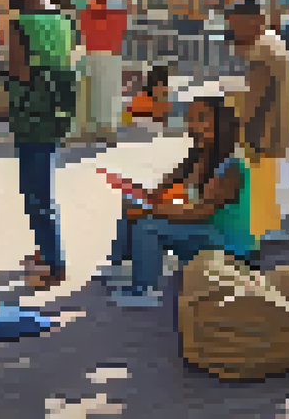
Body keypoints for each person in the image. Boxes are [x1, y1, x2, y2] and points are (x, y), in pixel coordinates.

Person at [104, 93, 251, 307]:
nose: (192, 125)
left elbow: (198, 213)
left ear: (221, 123)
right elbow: (164, 186)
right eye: (190, 118)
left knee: (148, 226)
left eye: (201, 118)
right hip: (205, 231)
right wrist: (142, 197)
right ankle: (123, 268)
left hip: (227, 247)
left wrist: (151, 209)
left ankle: (144, 290)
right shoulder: (199, 156)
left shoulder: (231, 166)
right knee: (133, 205)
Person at [7, 0, 78, 291]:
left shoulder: (21, 23)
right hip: (57, 108)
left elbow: (19, 72)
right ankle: (45, 250)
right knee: (42, 183)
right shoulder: (64, 20)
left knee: (35, 191)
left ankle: (53, 262)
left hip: (31, 110)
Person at [227, 0, 289, 242]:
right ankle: (263, 238)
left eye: (236, 24)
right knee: (267, 194)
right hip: (273, 131)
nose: (234, 31)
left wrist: (233, 126)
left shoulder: (262, 49)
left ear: (253, 20)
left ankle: (257, 242)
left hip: (261, 134)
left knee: (258, 195)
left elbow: (252, 100)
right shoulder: (272, 41)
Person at [77, 0, 131, 145]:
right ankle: (106, 129)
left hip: (94, 45)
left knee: (95, 89)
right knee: (107, 90)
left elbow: (83, 9)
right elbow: (123, 11)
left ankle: (95, 129)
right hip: (109, 46)